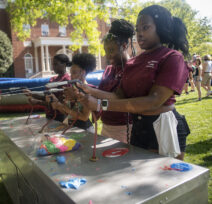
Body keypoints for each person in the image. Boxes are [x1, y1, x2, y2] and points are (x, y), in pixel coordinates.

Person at [77, 5, 190, 160]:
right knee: (142, 177)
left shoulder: (172, 57)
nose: (140, 33)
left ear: (160, 28)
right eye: (137, 29)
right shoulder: (133, 63)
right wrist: (89, 94)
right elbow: (118, 97)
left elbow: (153, 101)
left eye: (146, 27)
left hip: (164, 126)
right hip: (138, 126)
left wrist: (98, 104)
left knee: (167, 177)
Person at [47, 53, 96, 132]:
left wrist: (66, 108)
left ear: (82, 73)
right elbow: (67, 112)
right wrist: (57, 103)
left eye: (74, 73)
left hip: (84, 130)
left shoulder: (89, 90)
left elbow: (84, 117)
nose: (71, 76)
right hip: (71, 128)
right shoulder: (71, 88)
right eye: (70, 73)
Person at [24, 54, 71, 122]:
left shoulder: (66, 80)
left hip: (60, 116)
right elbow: (46, 97)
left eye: (55, 64)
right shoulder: (53, 79)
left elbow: (59, 102)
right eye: (53, 64)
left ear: (64, 64)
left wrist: (37, 102)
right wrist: (31, 94)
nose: (53, 67)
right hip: (49, 114)